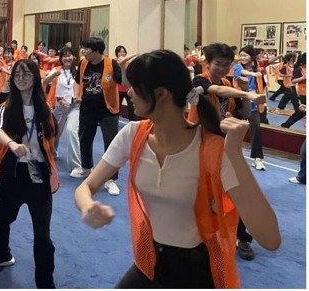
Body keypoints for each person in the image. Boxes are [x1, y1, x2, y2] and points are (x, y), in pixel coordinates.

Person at [74, 50, 281, 289]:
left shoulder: (212, 149)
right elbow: (86, 187)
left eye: (136, 87)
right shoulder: (133, 135)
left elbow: (270, 239)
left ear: (161, 94)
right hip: (150, 261)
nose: (128, 93)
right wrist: (88, 206)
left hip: (198, 271)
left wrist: (235, 154)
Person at [0, 59, 59, 289]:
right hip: (13, 171)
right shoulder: (8, 106)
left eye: (26, 74)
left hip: (39, 173)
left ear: (35, 77)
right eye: (17, 74)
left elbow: (53, 137)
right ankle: (1, 254)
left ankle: (45, 282)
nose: (21, 78)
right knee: (0, 217)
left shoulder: (45, 108)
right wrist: (12, 145)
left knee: (42, 233)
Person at [187, 42, 267, 261]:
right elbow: (217, 91)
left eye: (226, 65)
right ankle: (197, 235)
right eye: (218, 64)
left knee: (235, 190)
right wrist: (251, 94)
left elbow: (243, 114)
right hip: (200, 146)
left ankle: (242, 237)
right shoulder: (199, 81)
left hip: (224, 147)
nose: (222, 68)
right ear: (208, 63)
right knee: (199, 193)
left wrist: (244, 93)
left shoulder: (228, 82)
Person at [72, 37, 128, 197]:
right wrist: (77, 95)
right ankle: (86, 167)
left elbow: (124, 83)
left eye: (86, 48)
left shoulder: (111, 64)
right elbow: (77, 81)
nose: (83, 51)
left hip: (108, 110)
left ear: (96, 50)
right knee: (84, 137)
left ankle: (110, 179)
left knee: (111, 143)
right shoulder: (83, 63)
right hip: (87, 108)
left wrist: (123, 67)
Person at [233, 45, 267, 170]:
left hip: (253, 105)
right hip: (238, 103)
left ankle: (257, 158)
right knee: (233, 130)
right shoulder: (238, 67)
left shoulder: (257, 69)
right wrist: (253, 73)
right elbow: (242, 73)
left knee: (256, 130)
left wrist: (264, 100)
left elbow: (263, 86)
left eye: (245, 55)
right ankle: (230, 155)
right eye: (241, 55)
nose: (242, 58)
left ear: (252, 57)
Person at [114, 45, 138, 121]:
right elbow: (122, 60)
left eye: (123, 52)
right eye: (120, 52)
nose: (122, 53)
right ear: (117, 53)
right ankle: (114, 121)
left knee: (131, 107)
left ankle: (133, 122)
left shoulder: (128, 63)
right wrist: (135, 54)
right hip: (118, 89)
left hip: (128, 89)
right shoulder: (115, 61)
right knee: (117, 108)